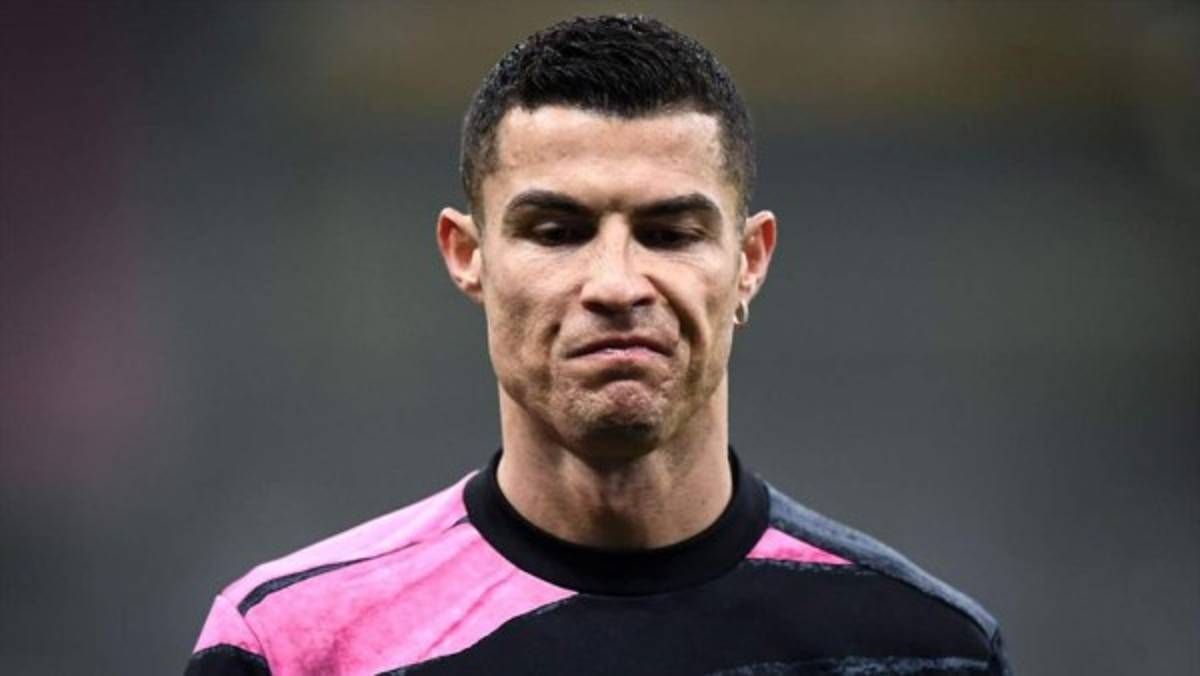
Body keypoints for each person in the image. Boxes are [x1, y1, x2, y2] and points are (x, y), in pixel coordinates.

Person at [186, 15, 1009, 675]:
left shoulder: (927, 649)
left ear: (749, 261)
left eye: (669, 232)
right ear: (468, 256)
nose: (616, 284)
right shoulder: (294, 647)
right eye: (557, 231)